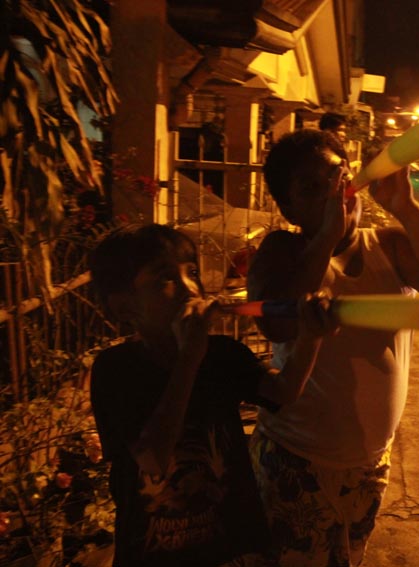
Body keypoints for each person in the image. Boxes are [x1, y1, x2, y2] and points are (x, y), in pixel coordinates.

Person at [247, 129, 419, 566]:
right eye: (312, 188)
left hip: (368, 465)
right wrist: (326, 237)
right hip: (298, 458)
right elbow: (276, 322)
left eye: (336, 176)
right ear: (287, 207)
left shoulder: (386, 245)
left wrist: (404, 205)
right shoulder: (281, 250)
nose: (333, 192)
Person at [88, 223, 338, 567]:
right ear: (122, 308)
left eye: (191, 271)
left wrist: (310, 338)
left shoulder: (221, 353)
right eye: (165, 277)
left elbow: (284, 391)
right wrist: (189, 359)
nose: (191, 287)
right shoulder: (115, 370)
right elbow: (152, 459)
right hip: (153, 550)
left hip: (231, 544)